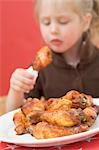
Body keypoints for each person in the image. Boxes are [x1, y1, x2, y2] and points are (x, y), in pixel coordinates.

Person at [6, 0, 99, 112]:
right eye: (46, 22)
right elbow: (13, 114)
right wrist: (16, 90)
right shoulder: (40, 69)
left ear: (85, 22)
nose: (53, 30)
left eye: (63, 22)